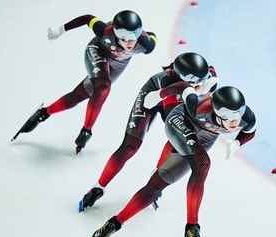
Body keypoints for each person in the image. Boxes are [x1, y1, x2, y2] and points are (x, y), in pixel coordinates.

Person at [86, 86, 256, 237]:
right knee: (203, 163)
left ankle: (113, 223)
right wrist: (157, 95)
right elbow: (184, 88)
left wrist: (236, 143)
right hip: (179, 123)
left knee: (156, 186)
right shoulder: (199, 107)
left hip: (203, 139)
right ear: (217, 112)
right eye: (229, 118)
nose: (235, 123)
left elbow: (250, 132)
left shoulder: (247, 118)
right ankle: (192, 228)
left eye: (238, 117)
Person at [79, 52, 218, 211]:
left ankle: (156, 177)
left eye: (202, 80)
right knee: (130, 146)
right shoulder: (169, 80)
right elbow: (172, 114)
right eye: (195, 83)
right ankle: (98, 187)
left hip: (178, 100)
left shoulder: (210, 78)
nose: (200, 85)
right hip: (153, 95)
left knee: (182, 137)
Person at [12, 10, 157, 153]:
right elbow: (87, 18)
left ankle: (44, 113)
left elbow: (152, 37)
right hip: (97, 51)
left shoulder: (146, 45)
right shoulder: (105, 31)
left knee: (79, 95)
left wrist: (149, 35)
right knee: (103, 87)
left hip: (117, 65)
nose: (128, 43)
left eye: (132, 39)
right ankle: (87, 131)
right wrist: (60, 30)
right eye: (123, 38)